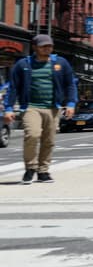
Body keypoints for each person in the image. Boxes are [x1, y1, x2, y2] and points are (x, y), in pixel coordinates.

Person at [3, 33, 77, 183]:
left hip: (53, 108)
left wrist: (71, 104)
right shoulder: (23, 64)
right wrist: (9, 108)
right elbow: (13, 88)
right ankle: (30, 168)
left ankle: (43, 171)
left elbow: (70, 84)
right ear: (35, 47)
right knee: (32, 134)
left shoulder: (60, 63)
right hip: (31, 107)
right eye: (43, 46)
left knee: (48, 140)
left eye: (49, 46)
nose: (47, 48)